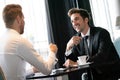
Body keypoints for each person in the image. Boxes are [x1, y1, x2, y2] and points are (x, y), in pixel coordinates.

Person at [0, 4, 58, 80]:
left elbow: (11, 74)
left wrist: (32, 70)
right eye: (23, 19)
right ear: (18, 19)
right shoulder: (19, 41)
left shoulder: (2, 40)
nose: (24, 22)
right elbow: (47, 70)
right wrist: (52, 51)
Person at [63, 8, 120, 80]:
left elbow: (101, 56)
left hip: (109, 74)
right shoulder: (76, 39)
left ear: (86, 20)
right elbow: (69, 62)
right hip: (92, 75)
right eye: (72, 21)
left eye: (76, 19)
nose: (74, 23)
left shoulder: (101, 33)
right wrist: (68, 47)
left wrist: (77, 64)